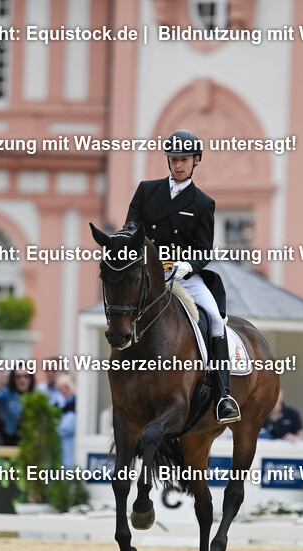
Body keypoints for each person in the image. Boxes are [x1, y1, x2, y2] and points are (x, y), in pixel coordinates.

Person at [124, 128, 239, 424]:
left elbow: (204, 250)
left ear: (196, 160)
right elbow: (130, 229)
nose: (178, 165)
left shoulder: (203, 203)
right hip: (149, 276)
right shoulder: (146, 191)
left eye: (184, 160)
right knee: (121, 310)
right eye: (174, 159)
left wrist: (187, 265)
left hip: (184, 278)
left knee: (215, 319)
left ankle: (223, 393)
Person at [0, 369, 34, 445]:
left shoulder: (35, 397)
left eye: (26, 376)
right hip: (8, 440)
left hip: (29, 441)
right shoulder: (5, 394)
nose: (22, 380)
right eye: (18, 376)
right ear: (13, 378)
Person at [56, 375, 77, 468]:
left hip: (71, 447)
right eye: (60, 389)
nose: (62, 391)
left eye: (64, 388)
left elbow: (65, 427)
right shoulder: (60, 403)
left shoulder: (76, 403)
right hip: (60, 448)